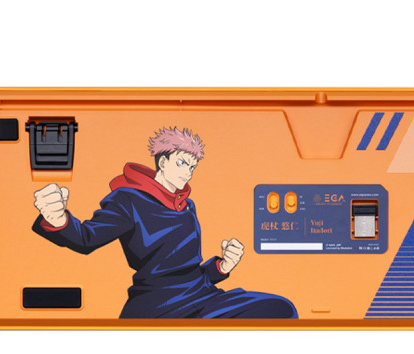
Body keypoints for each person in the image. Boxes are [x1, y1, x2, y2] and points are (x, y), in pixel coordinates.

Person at [32, 126, 297, 319]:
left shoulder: (187, 206)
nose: (187, 172)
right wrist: (57, 219)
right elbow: (86, 238)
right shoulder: (128, 200)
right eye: (182, 163)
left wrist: (221, 266)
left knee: (281, 309)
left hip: (202, 299)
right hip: (158, 306)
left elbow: (188, 272)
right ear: (162, 161)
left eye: (192, 167)